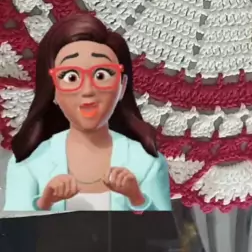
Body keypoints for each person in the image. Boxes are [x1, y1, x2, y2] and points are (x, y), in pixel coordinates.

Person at [3, 13, 172, 212]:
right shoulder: (30, 164)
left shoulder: (147, 163)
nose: (88, 90)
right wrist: (44, 203)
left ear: (122, 86)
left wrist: (137, 198)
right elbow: (15, 229)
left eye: (101, 75)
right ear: (53, 90)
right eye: (71, 77)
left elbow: (163, 229)